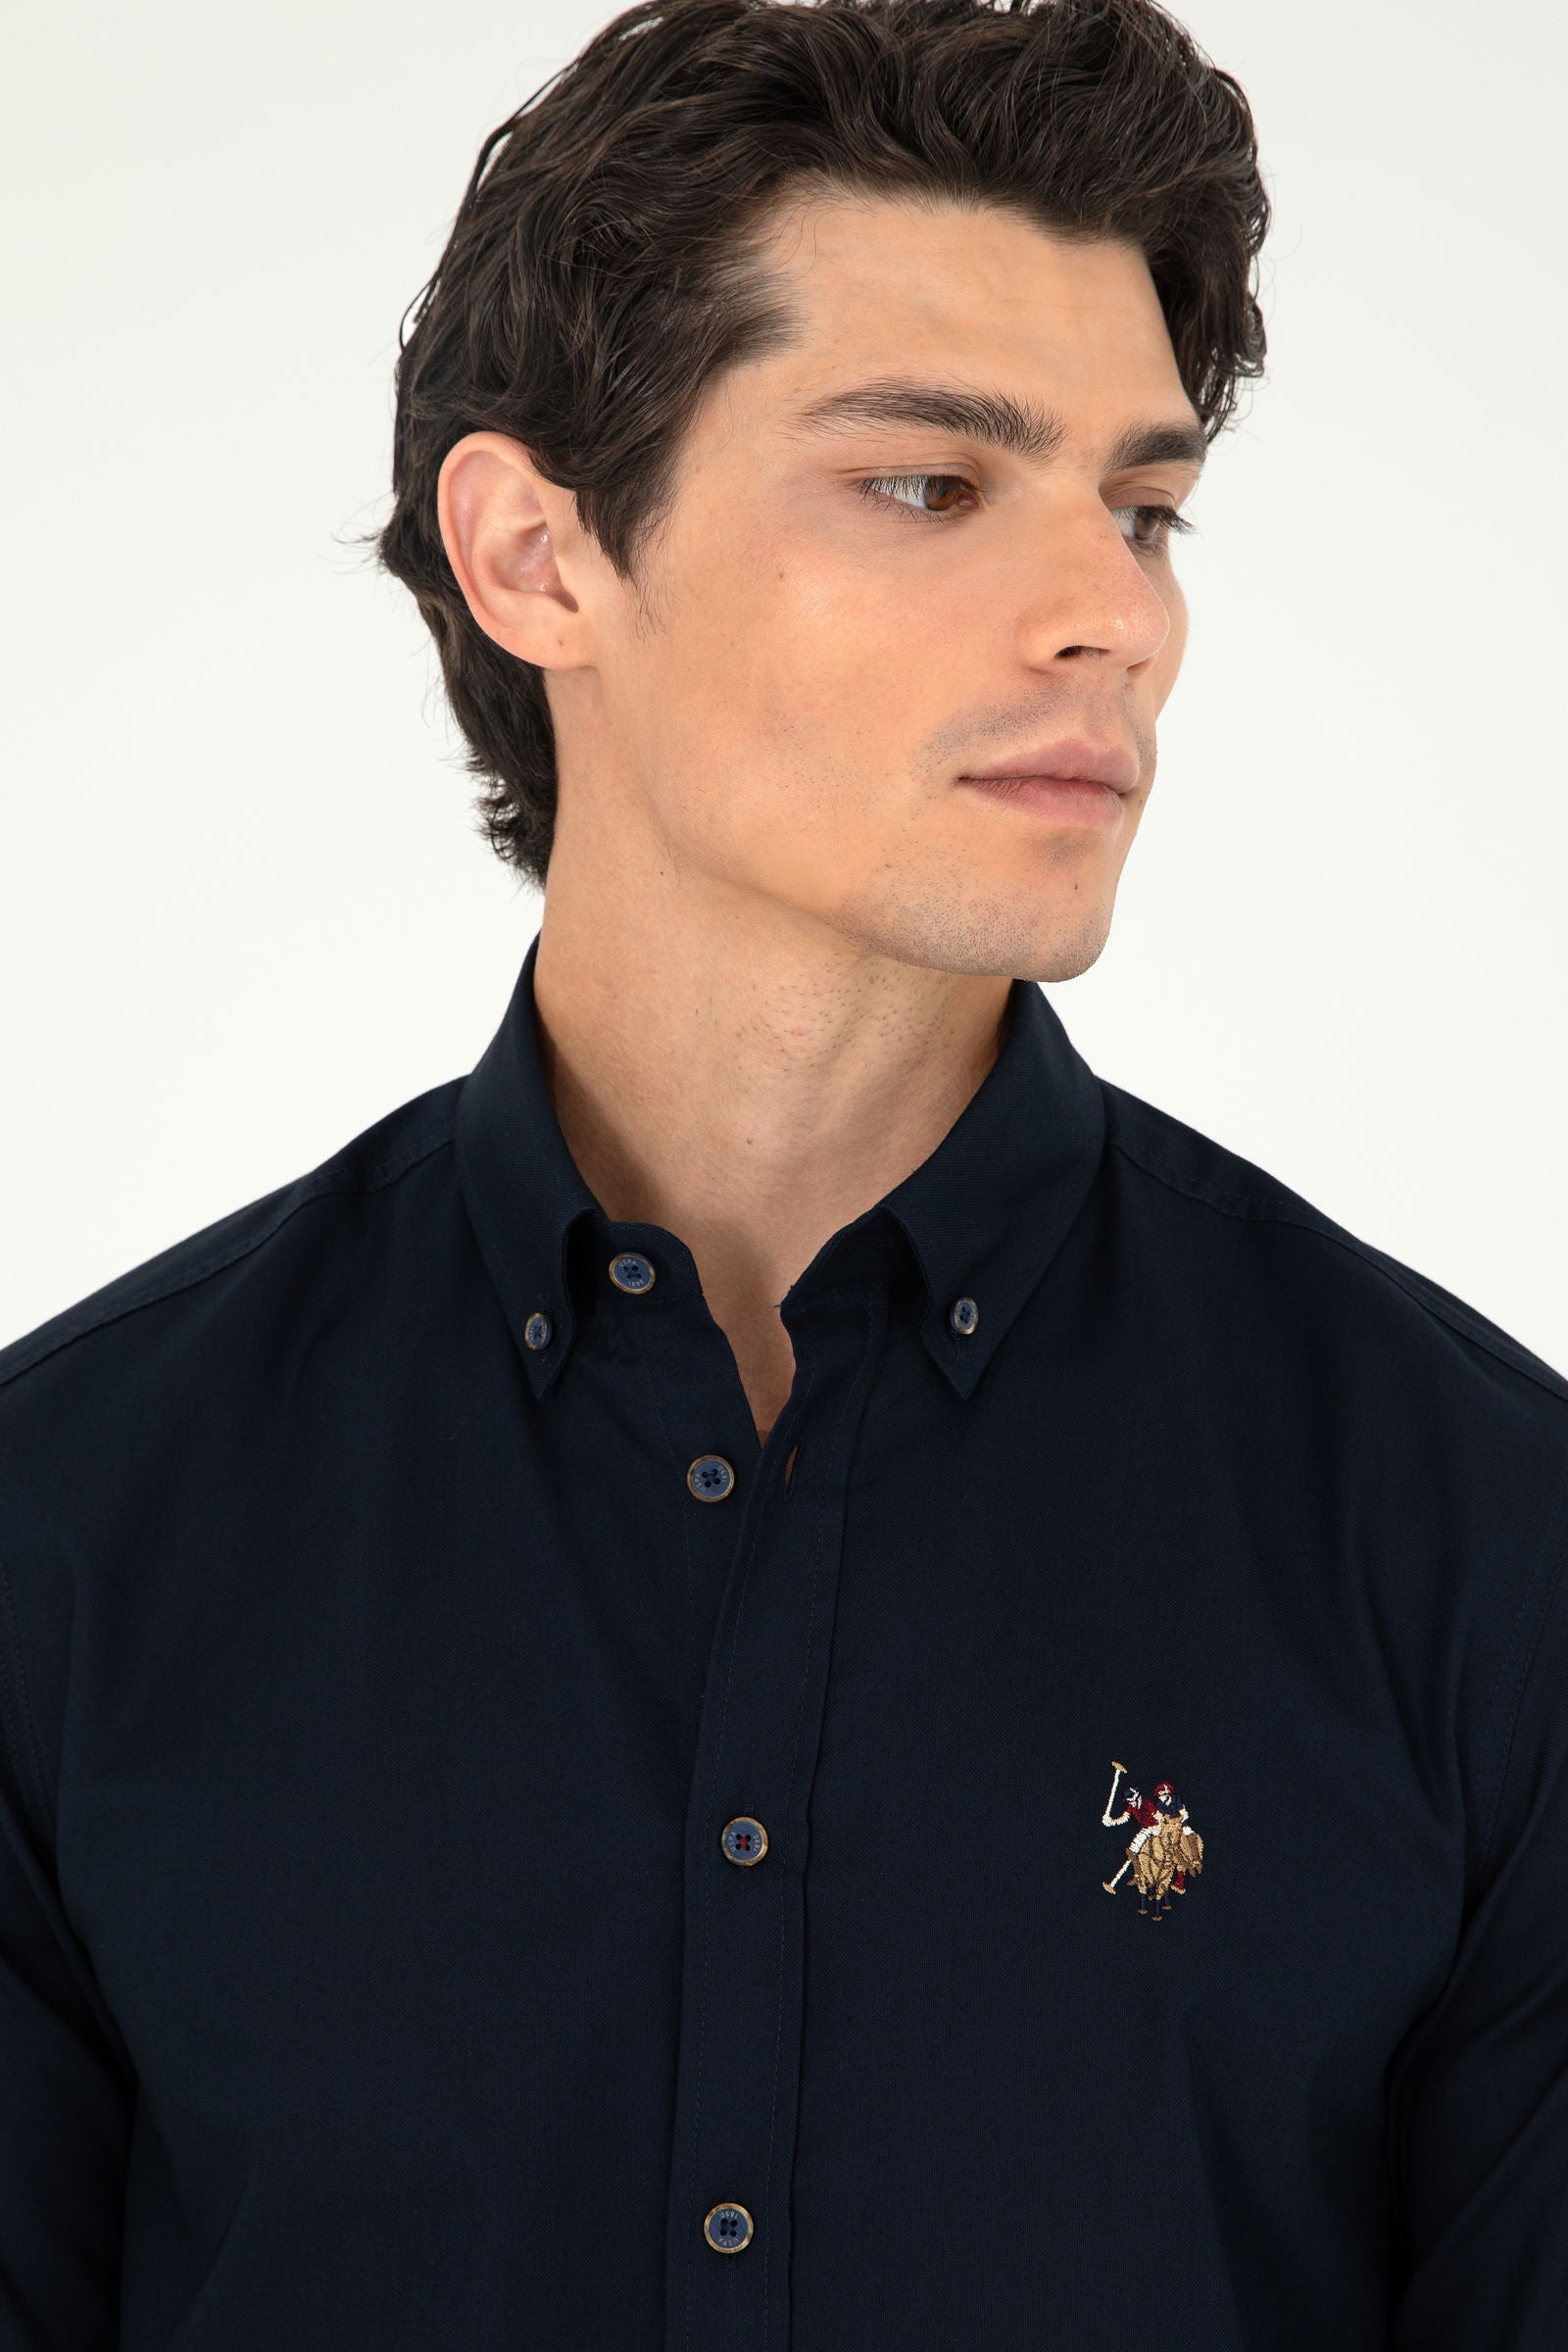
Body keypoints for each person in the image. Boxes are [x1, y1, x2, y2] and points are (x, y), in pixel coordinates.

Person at [2, 1, 1564, 2345]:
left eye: (1141, 508)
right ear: (538, 553)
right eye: (927, 485)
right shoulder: (68, 1538)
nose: (1114, 615)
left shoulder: (1477, 1545)